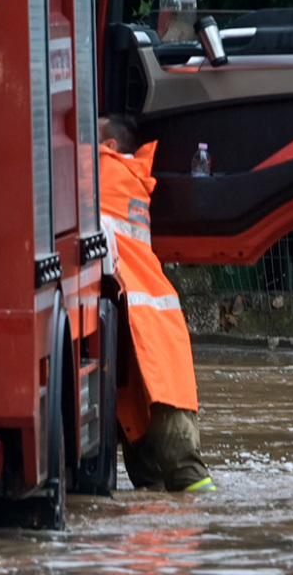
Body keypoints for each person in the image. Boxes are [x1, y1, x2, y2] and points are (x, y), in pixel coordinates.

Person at [98, 114, 215, 492]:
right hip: (148, 322)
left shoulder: (106, 171)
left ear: (109, 148)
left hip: (140, 318)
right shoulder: (130, 178)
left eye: (90, 136)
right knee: (159, 467)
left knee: (175, 467)